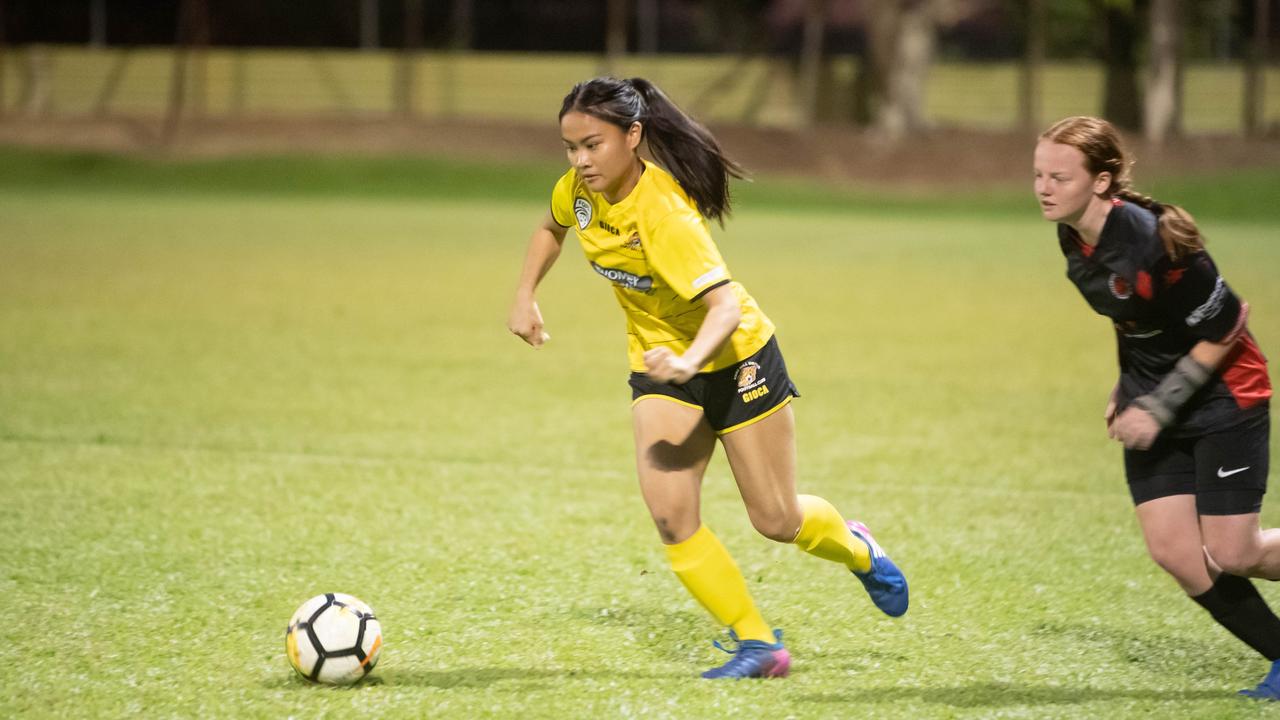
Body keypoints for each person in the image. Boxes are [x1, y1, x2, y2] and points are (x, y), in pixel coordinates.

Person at [507, 77, 908, 679]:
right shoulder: (580, 193)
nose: (581, 161)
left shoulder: (664, 214)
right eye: (571, 148)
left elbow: (723, 307)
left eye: (593, 145)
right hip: (662, 369)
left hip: (737, 360)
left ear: (633, 136)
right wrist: (525, 295)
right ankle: (758, 644)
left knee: (777, 521)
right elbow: (552, 225)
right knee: (671, 514)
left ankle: (857, 547)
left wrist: (692, 360)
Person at [1034, 116, 1278, 699]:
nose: (1043, 187)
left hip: (1226, 397)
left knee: (1233, 551)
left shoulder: (1156, 241)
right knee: (1175, 552)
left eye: (1059, 177)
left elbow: (1225, 328)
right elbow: (1136, 318)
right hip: (1155, 398)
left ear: (1102, 181)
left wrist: (1158, 406)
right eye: (1038, 174)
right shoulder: (1073, 234)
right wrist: (1128, 385)